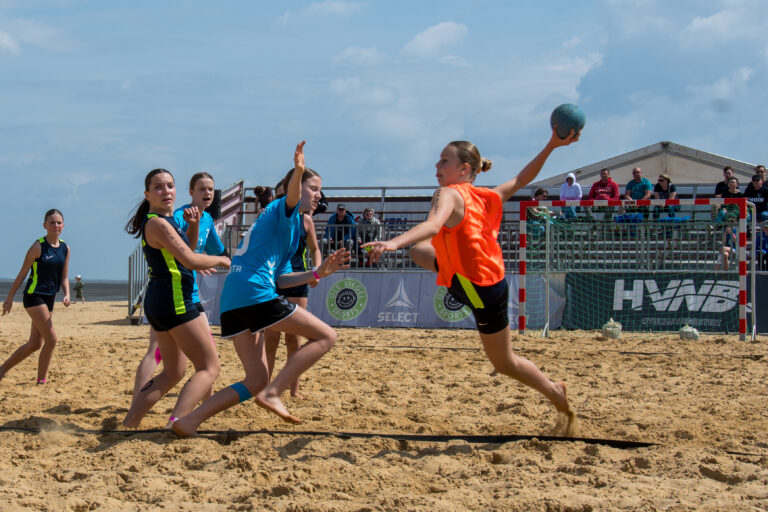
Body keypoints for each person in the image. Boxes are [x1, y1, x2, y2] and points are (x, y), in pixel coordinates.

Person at [363, 128, 578, 435]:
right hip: (492, 281)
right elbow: (521, 179)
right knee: (420, 251)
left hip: (476, 289)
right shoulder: (486, 195)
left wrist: (392, 243)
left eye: (443, 161)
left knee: (504, 363)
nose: (437, 167)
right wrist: (552, 145)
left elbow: (433, 223)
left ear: (464, 169)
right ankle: (553, 390)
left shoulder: (448, 193)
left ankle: (554, 391)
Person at [173, 141, 351, 437]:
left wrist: (316, 272)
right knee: (327, 336)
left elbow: (282, 280)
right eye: (314, 188)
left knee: (256, 379)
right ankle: (275, 393)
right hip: (254, 293)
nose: (319, 194)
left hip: (233, 298)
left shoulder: (292, 230)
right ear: (296, 187)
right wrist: (299, 170)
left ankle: (190, 421)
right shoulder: (281, 208)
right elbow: (292, 195)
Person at [123, 169, 230, 428]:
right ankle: (178, 421)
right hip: (175, 301)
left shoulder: (167, 221)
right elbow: (191, 260)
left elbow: (188, 251)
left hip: (162, 301)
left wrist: (193, 227)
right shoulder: (157, 223)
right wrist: (222, 259)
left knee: (173, 372)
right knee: (209, 367)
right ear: (147, 194)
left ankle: (129, 424)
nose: (166, 191)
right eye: (158, 187)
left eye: (170, 186)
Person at [264, 180, 323, 399]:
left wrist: (316, 269)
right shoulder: (274, 217)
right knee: (271, 337)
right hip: (274, 278)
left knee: (294, 339)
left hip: (298, 277)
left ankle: (293, 390)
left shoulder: (306, 220)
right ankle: (264, 386)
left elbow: (315, 248)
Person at [0, 209, 71, 384]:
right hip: (34, 296)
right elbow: (22, 273)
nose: (56, 225)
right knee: (52, 339)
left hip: (49, 298)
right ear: (45, 225)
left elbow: (64, 276)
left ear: (63, 225)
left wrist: (67, 294)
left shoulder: (65, 248)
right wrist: (9, 299)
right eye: (52, 222)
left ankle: (1, 371)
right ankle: (41, 380)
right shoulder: (38, 246)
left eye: (59, 222)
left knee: (34, 344)